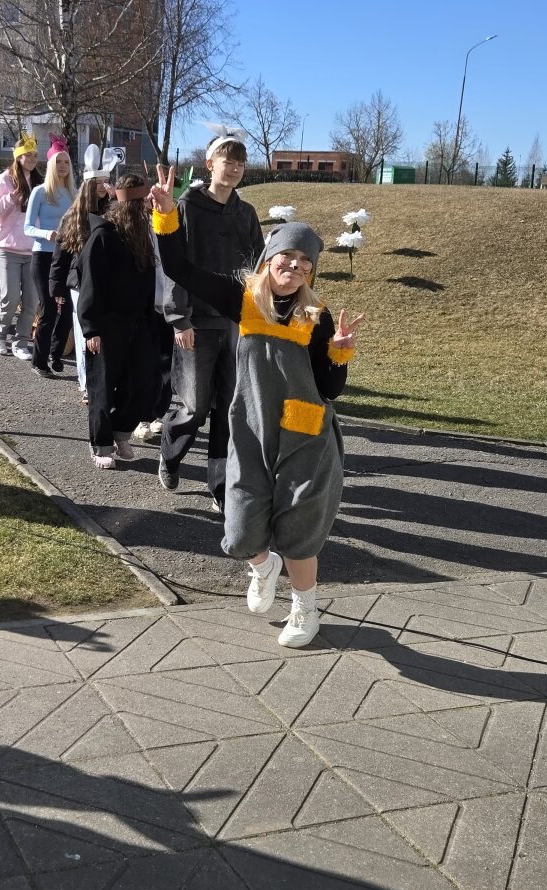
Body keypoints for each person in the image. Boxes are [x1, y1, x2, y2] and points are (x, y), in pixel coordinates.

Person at [150, 165, 364, 649]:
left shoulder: (316, 317)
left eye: (305, 264)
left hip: (306, 437)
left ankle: (305, 609)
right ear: (269, 259)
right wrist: (166, 217)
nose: (295, 269)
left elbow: (330, 390)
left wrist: (339, 353)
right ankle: (263, 568)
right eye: (287, 259)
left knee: (299, 533)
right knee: (242, 528)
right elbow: (180, 268)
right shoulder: (243, 299)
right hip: (251, 428)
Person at [158, 128, 264, 512]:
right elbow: (173, 265)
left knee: (228, 409)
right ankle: (170, 452)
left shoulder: (246, 213)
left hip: (235, 324)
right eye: (227, 161)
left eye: (240, 164)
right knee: (195, 407)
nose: (234, 169)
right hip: (196, 323)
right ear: (210, 164)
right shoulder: (187, 207)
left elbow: (259, 268)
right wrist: (179, 318)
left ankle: (220, 484)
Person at [76, 172, 159, 469]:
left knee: (141, 383)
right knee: (102, 386)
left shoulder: (143, 238)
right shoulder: (103, 236)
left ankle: (121, 432)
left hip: (138, 323)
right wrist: (91, 329)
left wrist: (149, 322)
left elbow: (149, 283)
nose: (146, 209)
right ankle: (100, 444)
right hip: (107, 324)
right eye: (141, 204)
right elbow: (90, 285)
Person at [49, 150, 112, 403]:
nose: (103, 187)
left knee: (104, 335)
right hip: (80, 283)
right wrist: (56, 287)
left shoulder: (113, 212)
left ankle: (104, 382)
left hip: (107, 283)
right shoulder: (73, 217)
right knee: (83, 332)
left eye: (105, 182)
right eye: (98, 183)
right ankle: (87, 384)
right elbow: (61, 254)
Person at [0, 132, 41, 359]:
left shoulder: (39, 181)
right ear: (18, 156)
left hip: (33, 250)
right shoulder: (5, 179)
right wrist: (10, 199)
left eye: (35, 155)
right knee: (11, 297)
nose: (33, 158)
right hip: (8, 250)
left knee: (31, 301)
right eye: (28, 154)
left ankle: (21, 342)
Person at [23, 134, 76, 377]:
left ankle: (56, 353)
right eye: (59, 162)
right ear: (51, 165)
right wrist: (47, 234)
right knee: (49, 309)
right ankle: (39, 361)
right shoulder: (40, 192)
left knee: (67, 312)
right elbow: (27, 227)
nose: (63, 166)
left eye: (66, 162)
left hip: (66, 258)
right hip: (43, 257)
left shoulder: (73, 193)